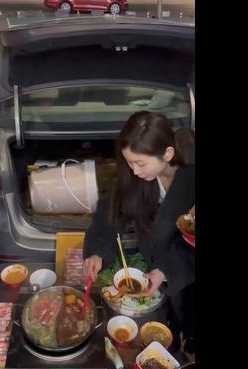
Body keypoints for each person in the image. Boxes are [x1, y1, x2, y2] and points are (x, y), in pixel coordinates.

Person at [82, 111, 195, 352]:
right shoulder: (139, 173)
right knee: (167, 331)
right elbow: (110, 211)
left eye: (140, 163)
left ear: (168, 154)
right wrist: (97, 252)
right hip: (158, 273)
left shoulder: (191, 181)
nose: (134, 171)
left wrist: (165, 270)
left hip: (189, 273)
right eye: (129, 162)